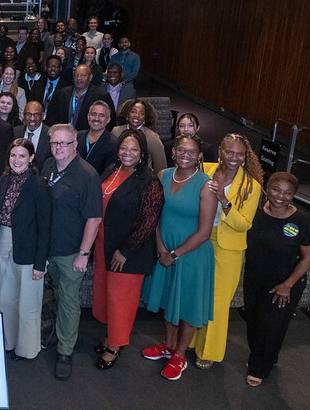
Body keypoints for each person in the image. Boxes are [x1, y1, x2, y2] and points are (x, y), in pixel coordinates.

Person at [141, 134, 216, 381]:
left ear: (200, 156)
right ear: (173, 152)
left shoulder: (206, 185)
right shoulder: (163, 175)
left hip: (191, 256)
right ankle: (168, 345)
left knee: (186, 305)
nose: (185, 155)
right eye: (181, 150)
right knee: (168, 300)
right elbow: (157, 216)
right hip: (165, 250)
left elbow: (205, 233)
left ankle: (180, 355)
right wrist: (162, 248)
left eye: (191, 151)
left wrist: (174, 254)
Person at [92, 129, 164, 370]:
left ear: (142, 152)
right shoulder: (113, 169)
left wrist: (126, 250)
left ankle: (115, 345)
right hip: (104, 244)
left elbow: (148, 221)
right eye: (124, 148)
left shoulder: (149, 181)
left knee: (120, 299)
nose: (127, 153)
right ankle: (111, 336)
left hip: (127, 252)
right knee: (107, 296)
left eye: (133, 149)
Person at [191, 134, 263, 368]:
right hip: (199, 239)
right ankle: (189, 340)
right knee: (196, 294)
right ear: (220, 151)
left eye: (239, 154)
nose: (234, 157)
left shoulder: (251, 186)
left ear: (245, 156)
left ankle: (208, 351)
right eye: (229, 152)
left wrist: (224, 201)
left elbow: (244, 224)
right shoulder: (205, 170)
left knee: (218, 303)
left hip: (228, 248)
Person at [41, 124, 102, 380]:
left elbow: (94, 219)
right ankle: (53, 332)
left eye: (64, 143)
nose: (58, 148)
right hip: (46, 248)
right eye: (55, 143)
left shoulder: (87, 175)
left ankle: (65, 350)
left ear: (75, 145)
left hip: (70, 252)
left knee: (68, 300)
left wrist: (83, 254)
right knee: (50, 295)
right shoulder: (47, 166)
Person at [243, 172, 310, 387]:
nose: (281, 196)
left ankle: (258, 368)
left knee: (271, 325)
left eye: (288, 193)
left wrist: (288, 284)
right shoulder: (255, 212)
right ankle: (267, 357)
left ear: (293, 195)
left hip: (285, 283)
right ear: (267, 189)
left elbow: (308, 257)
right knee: (253, 322)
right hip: (254, 278)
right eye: (276, 190)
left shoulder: (301, 219)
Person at [0, 139, 51, 361]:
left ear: (31, 158)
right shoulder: (3, 180)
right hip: (4, 242)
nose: (17, 160)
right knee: (6, 299)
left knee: (27, 304)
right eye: (13, 155)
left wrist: (40, 263)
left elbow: (45, 226)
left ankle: (26, 349)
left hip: (29, 249)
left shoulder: (38, 185)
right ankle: (8, 343)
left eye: (21, 156)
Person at [46, 64, 115, 131]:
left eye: (83, 75)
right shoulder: (62, 94)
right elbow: (51, 117)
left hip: (88, 138)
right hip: (64, 137)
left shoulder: (100, 95)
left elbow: (110, 120)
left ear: (90, 77)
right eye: (76, 75)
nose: (79, 78)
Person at [112, 99, 167, 173]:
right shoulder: (115, 132)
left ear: (145, 117)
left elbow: (161, 166)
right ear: (127, 114)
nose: (137, 116)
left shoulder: (152, 137)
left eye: (141, 113)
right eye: (133, 112)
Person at [77, 101, 119, 174]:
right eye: (93, 114)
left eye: (101, 115)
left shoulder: (113, 144)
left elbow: (108, 173)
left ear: (108, 119)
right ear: (88, 116)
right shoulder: (76, 137)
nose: (96, 118)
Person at [13, 101, 51, 173]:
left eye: (36, 114)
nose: (32, 118)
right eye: (28, 114)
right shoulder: (15, 132)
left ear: (42, 116)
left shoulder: (50, 135)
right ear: (23, 115)